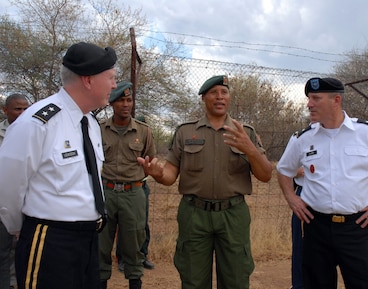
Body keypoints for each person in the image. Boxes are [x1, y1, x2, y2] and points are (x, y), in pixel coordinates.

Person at [0, 41, 117, 289]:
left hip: (88, 240)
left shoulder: (91, 123)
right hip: (49, 240)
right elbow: (7, 186)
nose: (114, 85)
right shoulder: (37, 122)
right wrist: (18, 228)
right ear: (88, 80)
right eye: (110, 78)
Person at [138, 75, 272, 289]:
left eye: (224, 92)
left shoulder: (245, 132)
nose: (220, 97)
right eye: (213, 93)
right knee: (193, 279)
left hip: (233, 215)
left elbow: (266, 175)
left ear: (229, 98)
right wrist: (158, 174)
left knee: (236, 279)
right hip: (194, 215)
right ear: (203, 98)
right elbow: (171, 174)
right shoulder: (185, 131)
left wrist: (251, 150)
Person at [276, 77, 368, 289]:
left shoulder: (367, 133)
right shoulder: (303, 138)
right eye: (309, 98)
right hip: (315, 227)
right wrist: (292, 198)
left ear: (336, 100)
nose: (309, 104)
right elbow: (283, 170)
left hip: (356, 227)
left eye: (315, 98)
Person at [98, 81, 156, 289]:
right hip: (106, 191)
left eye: (129, 100)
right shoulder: (100, 129)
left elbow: (151, 160)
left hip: (134, 193)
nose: (125, 104)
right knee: (101, 243)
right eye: (121, 100)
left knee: (134, 242)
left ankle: (135, 282)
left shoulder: (144, 131)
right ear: (112, 104)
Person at [0, 93, 29, 289]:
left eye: (26, 109)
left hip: (27, 201)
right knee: (3, 251)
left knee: (23, 251)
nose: (23, 113)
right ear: (5, 110)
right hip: (3, 201)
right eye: (18, 109)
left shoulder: (34, 131)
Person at [291, 167, 304, 289]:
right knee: (300, 247)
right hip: (305, 194)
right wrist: (296, 172)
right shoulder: (298, 146)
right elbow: (284, 170)